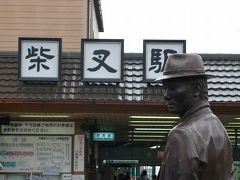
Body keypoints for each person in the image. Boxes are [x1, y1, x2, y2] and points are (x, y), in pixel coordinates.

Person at [155, 53, 235, 180]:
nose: (166, 95)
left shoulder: (182, 134)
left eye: (173, 88)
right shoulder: (219, 128)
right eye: (164, 88)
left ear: (197, 89)